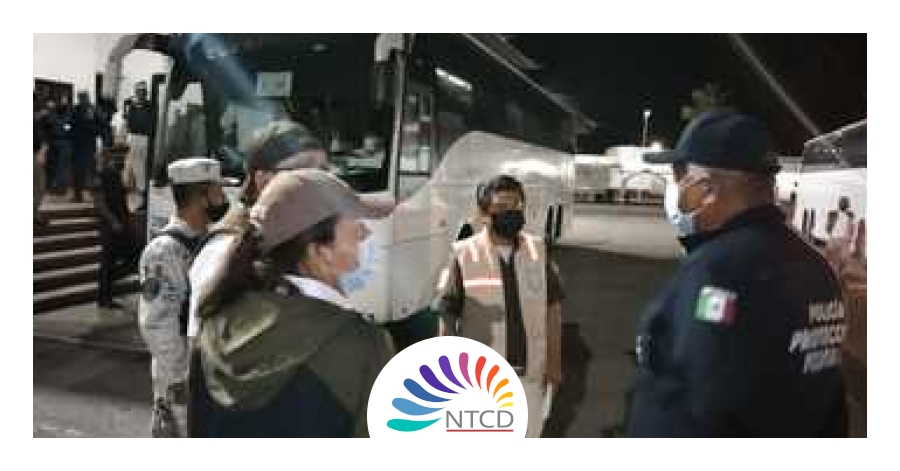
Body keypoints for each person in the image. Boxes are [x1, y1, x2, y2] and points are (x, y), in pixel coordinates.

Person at [626, 110, 848, 437]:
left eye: (680, 175)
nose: (674, 189)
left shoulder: (716, 271)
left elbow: (693, 409)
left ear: (706, 189)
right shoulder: (817, 268)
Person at [188, 169, 395, 437]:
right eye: (357, 228)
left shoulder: (215, 321)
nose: (366, 235)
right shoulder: (363, 345)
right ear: (320, 251)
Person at [435, 174, 563, 438]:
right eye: (502, 207)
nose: (512, 213)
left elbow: (553, 310)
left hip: (530, 377)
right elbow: (447, 316)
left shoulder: (538, 251)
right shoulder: (464, 254)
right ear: (485, 214)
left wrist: (554, 363)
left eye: (516, 205)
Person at [186, 120, 327, 339]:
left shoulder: (297, 237)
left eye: (324, 172)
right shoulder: (224, 250)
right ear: (263, 180)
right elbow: (205, 344)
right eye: (303, 171)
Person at [137, 157, 229, 437]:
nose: (224, 197)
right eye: (218, 190)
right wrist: (182, 377)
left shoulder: (209, 240)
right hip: (182, 380)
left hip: (207, 371)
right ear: (201, 197)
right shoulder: (164, 251)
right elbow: (157, 323)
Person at [92, 147, 140, 309]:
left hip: (122, 222)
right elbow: (99, 203)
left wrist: (129, 219)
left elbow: (123, 198)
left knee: (133, 257)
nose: (109, 159)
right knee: (108, 261)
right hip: (110, 226)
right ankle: (104, 298)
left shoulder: (115, 174)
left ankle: (108, 286)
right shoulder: (98, 176)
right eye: (103, 157)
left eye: (109, 156)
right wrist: (112, 221)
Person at [124, 82, 153, 208]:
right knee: (138, 170)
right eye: (139, 91)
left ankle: (146, 196)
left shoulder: (150, 106)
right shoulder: (132, 107)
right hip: (136, 138)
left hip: (148, 138)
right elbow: (129, 124)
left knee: (146, 169)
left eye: (143, 91)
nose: (141, 94)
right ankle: (143, 196)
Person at [71, 91, 101, 203]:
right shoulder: (75, 109)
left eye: (84, 97)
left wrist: (94, 131)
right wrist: (69, 131)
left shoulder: (93, 109)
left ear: (87, 98)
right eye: (80, 97)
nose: (82, 100)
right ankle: (78, 195)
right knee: (77, 171)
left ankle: (94, 196)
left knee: (91, 171)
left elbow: (99, 125)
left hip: (89, 145)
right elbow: (70, 122)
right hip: (77, 145)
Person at [46, 96, 75, 195]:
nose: (62, 103)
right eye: (61, 101)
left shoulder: (69, 114)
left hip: (65, 142)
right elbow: (49, 126)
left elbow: (69, 127)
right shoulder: (52, 113)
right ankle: (56, 187)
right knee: (55, 166)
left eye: (64, 101)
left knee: (63, 166)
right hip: (55, 142)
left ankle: (62, 188)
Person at [34, 94, 50, 226]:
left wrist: (43, 149)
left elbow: (42, 136)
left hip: (37, 153)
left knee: (40, 186)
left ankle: (34, 213)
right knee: (39, 186)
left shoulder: (39, 121)